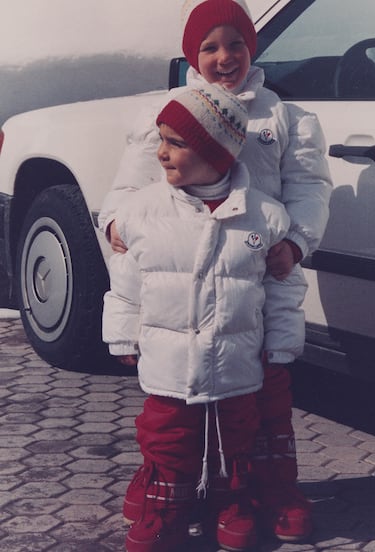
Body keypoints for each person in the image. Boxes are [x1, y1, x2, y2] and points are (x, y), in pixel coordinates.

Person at [99, 0, 332, 543]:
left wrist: (295, 244)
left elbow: (309, 189)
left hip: (258, 271)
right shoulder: (170, 111)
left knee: (263, 397)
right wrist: (115, 222)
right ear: (191, 55)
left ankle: (267, 489)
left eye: (236, 43)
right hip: (184, 270)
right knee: (177, 394)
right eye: (209, 46)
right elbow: (131, 185)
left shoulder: (282, 117)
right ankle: (166, 483)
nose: (224, 56)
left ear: (253, 47)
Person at [102, 82, 291, 552]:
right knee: (167, 431)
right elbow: (127, 280)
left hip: (237, 357)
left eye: (176, 143)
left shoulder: (263, 217)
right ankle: (165, 501)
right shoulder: (141, 212)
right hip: (170, 359)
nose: (161, 153)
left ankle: (232, 499)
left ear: (217, 154)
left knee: (236, 432)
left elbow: (283, 288)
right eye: (160, 139)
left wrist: (283, 341)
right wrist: (123, 334)